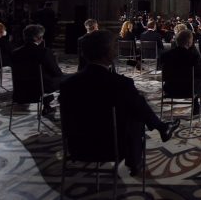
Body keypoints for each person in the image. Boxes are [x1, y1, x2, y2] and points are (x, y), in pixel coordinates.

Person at [59, 30, 178, 176]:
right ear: (106, 53)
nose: (117, 51)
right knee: (136, 116)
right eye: (114, 47)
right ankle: (136, 160)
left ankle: (161, 127)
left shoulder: (67, 84)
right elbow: (139, 108)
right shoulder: (121, 83)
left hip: (78, 146)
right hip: (111, 147)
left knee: (131, 109)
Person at [11, 24, 64, 115]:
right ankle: (59, 105)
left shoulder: (15, 52)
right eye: (41, 36)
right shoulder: (44, 52)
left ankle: (47, 105)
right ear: (37, 38)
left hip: (20, 88)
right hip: (40, 87)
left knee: (44, 77)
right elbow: (56, 72)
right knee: (69, 80)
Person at [160, 30, 201, 115]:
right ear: (189, 42)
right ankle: (196, 106)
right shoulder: (193, 56)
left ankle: (196, 106)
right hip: (188, 90)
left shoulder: (165, 55)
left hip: (169, 89)